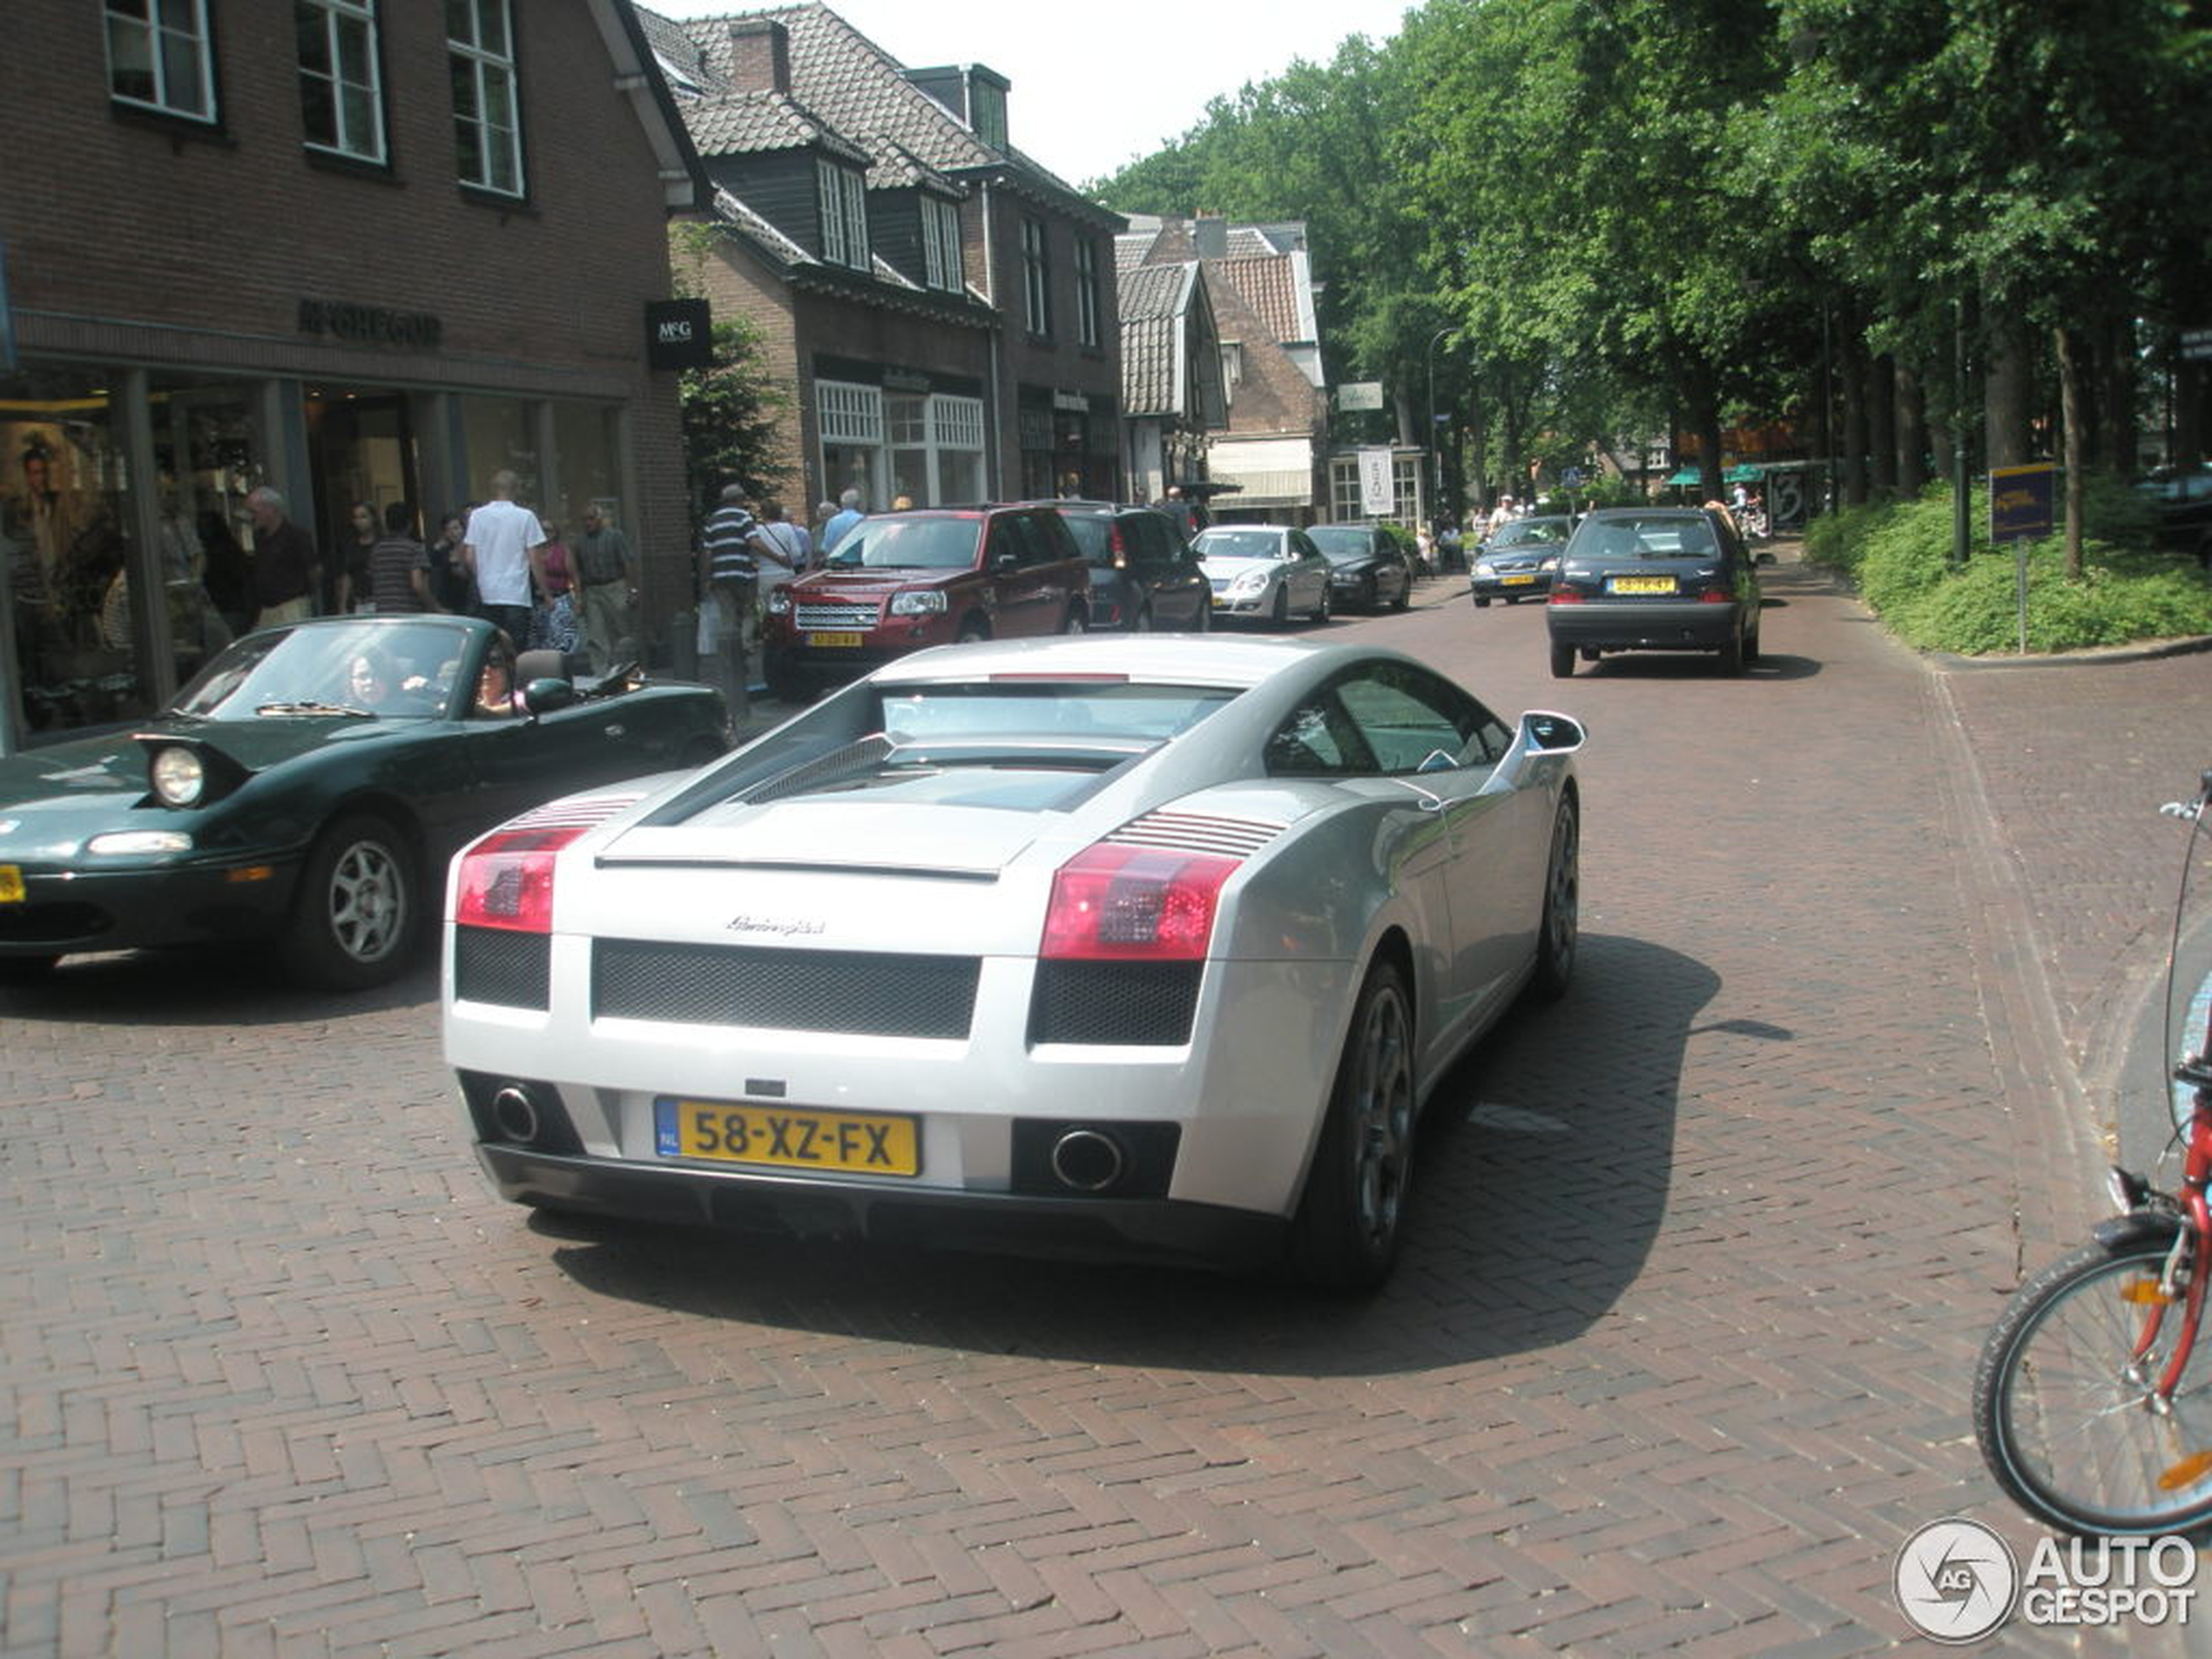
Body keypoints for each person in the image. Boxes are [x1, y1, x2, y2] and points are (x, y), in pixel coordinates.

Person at [698, 482, 775, 709]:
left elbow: (707, 552)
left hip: (721, 577)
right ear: (740, 499)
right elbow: (753, 541)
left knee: (728, 617)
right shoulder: (743, 516)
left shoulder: (712, 520)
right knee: (750, 611)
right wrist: (778, 557)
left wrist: (706, 579)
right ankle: (742, 645)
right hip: (742, 574)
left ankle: (732, 655)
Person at [461, 469, 546, 647]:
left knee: (492, 647)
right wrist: (546, 593)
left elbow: (469, 556)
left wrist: (482, 575)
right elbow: (535, 559)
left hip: (487, 592)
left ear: (494, 489)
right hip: (516, 593)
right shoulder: (526, 517)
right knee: (516, 645)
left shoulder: (478, 516)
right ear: (516, 489)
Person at [245, 486, 321, 630]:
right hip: (267, 607)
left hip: (291, 604)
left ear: (269, 509)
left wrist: (308, 595)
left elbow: (314, 569)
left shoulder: (296, 535)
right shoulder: (260, 538)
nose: (252, 517)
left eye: (254, 512)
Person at [570, 502, 635, 671]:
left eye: (591, 518)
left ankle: (625, 667)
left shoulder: (615, 536)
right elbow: (576, 570)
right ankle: (601, 671)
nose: (587, 523)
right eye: (584, 519)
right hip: (591, 590)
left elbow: (627, 563)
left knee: (621, 629)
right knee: (596, 634)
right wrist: (579, 597)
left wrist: (631, 589)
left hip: (615, 586)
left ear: (600, 519)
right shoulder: (579, 542)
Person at [368, 501, 437, 614]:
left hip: (383, 613)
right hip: (409, 614)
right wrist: (434, 607)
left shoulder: (377, 550)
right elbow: (418, 585)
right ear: (409, 525)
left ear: (387, 525)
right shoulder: (414, 549)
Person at [529, 518, 579, 653]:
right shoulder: (532, 551)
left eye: (548, 530)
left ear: (555, 533)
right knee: (538, 642)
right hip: (537, 603)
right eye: (542, 529)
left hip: (560, 600)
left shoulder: (563, 551)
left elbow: (574, 576)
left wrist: (578, 599)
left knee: (563, 640)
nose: (545, 533)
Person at [425, 510, 475, 614]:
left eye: (456, 528)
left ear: (463, 529)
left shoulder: (470, 549)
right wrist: (437, 547)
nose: (453, 533)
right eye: (448, 530)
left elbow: (469, 575)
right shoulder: (444, 550)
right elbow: (430, 564)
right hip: (447, 603)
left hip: (468, 603)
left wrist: (458, 565)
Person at [336, 501, 378, 614]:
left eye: (363, 517)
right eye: (356, 518)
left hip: (379, 602)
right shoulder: (352, 546)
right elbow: (348, 575)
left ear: (373, 518)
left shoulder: (381, 544)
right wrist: (343, 605)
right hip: (359, 603)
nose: (359, 522)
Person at [820, 487, 866, 556]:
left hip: (838, 562)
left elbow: (827, 547)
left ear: (842, 504)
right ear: (858, 504)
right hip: (860, 561)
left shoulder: (832, 522)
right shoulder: (863, 520)